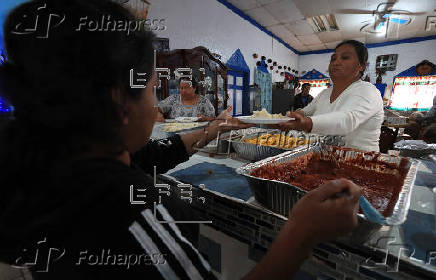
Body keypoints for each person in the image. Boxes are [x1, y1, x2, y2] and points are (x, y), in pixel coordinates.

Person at [0, 1, 361, 279]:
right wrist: (302, 231)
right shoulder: (125, 212)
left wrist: (209, 131)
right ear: (120, 101)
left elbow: (147, 155)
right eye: (153, 90)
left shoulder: (41, 152)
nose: (158, 102)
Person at [281, 40, 384, 152]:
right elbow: (305, 112)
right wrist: (284, 119)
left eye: (345, 58)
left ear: (361, 66)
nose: (336, 62)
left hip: (360, 163)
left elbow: (348, 120)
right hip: (321, 157)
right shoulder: (324, 93)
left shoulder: (368, 91)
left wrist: (305, 123)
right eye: (333, 59)